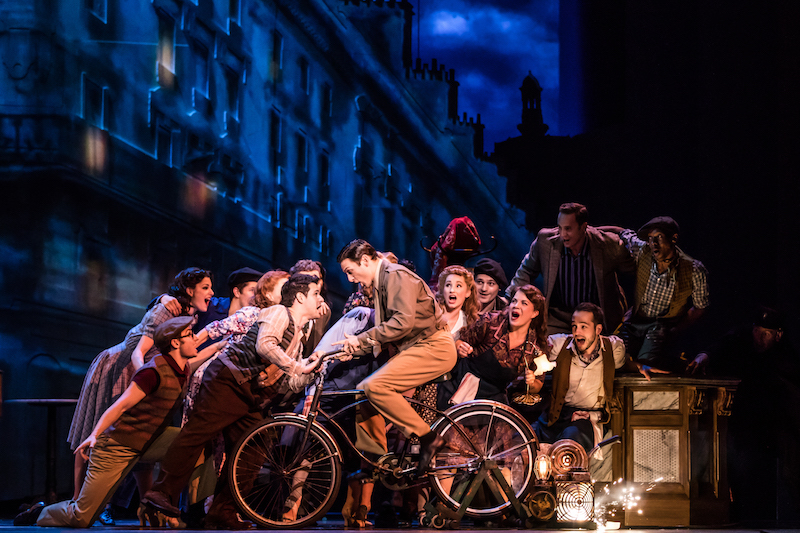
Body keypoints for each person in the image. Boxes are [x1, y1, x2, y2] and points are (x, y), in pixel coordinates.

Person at [141, 273, 325, 529]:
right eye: (316, 294)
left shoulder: (299, 336)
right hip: (227, 379)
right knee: (198, 432)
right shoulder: (278, 313)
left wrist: (310, 370)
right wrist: (297, 367)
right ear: (301, 298)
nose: (321, 300)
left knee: (254, 449)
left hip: (249, 392)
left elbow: (288, 381)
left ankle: (222, 511)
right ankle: (161, 492)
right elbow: (265, 346)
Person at [14, 317, 223, 527]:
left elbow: (200, 357)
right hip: (118, 444)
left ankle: (194, 512)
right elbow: (120, 406)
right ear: (176, 343)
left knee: (200, 442)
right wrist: (94, 435)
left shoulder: (181, 368)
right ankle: (39, 512)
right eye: (190, 334)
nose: (196, 338)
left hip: (151, 439)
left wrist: (222, 344)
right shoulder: (152, 372)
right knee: (82, 517)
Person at [67, 268, 214, 502]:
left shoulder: (189, 315)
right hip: (122, 366)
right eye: (205, 287)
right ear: (189, 290)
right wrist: (144, 377)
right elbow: (139, 352)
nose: (211, 293)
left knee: (139, 433)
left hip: (148, 371)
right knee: (98, 428)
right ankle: (76, 499)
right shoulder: (166, 308)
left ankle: (146, 500)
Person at [334, 239, 457, 475]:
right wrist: (353, 348)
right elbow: (385, 331)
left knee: (375, 386)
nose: (350, 279)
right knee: (364, 392)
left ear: (365, 261)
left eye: (350, 271)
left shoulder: (395, 276)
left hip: (434, 346)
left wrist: (360, 340)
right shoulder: (382, 282)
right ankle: (377, 461)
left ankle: (429, 438)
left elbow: (401, 323)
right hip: (417, 347)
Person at [508, 202, 634, 335]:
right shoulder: (546, 242)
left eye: (568, 229)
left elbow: (634, 269)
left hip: (595, 318)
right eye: (560, 228)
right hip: (559, 316)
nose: (563, 234)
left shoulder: (606, 245)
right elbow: (526, 270)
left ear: (583, 227)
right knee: (539, 341)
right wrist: (510, 298)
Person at [605, 216, 709, 376]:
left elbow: (700, 307)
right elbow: (623, 232)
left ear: (673, 238)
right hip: (635, 321)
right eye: (650, 238)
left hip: (660, 326)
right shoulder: (643, 251)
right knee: (612, 354)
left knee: (647, 365)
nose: (653, 243)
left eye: (659, 237)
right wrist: (589, 229)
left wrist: (675, 328)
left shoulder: (693, 269)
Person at [532, 302, 626, 453]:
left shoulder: (613, 349)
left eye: (583, 326)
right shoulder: (560, 345)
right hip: (558, 414)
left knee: (570, 444)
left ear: (598, 329)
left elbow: (625, 362)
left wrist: (640, 366)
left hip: (588, 419)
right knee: (525, 443)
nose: (577, 332)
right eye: (574, 326)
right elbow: (536, 348)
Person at [437, 285, 546, 409]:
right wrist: (460, 347)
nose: (516, 306)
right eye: (514, 301)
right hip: (461, 385)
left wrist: (531, 383)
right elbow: (460, 341)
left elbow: (538, 384)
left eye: (524, 303)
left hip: (492, 398)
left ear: (535, 313)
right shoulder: (491, 322)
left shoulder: (535, 346)